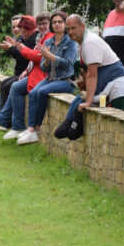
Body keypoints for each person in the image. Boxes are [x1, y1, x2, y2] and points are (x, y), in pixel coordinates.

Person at [54, 14, 124, 140]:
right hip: (107, 87)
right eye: (68, 29)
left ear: (82, 27)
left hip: (119, 87)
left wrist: (88, 101)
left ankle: (72, 126)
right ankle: (69, 122)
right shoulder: (82, 42)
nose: (70, 32)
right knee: (79, 100)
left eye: (73, 28)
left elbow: (92, 74)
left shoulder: (89, 42)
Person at [16, 11, 79, 145]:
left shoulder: (71, 42)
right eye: (54, 22)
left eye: (60, 22)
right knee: (33, 92)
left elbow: (67, 63)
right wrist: (46, 60)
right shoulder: (49, 41)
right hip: (51, 78)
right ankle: (30, 129)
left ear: (65, 24)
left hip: (66, 80)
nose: (56, 24)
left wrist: (49, 56)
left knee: (42, 92)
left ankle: (37, 129)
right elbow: (45, 68)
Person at [0, 16, 52, 138]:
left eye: (45, 24)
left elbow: (36, 56)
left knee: (18, 88)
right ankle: (9, 122)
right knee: (9, 85)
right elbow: (32, 58)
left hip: (42, 75)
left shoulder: (44, 37)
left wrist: (15, 49)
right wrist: (26, 68)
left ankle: (25, 127)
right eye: (15, 27)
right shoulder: (37, 37)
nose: (19, 30)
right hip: (31, 72)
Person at [0, 15, 38, 110]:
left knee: (9, 86)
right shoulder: (21, 38)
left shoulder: (33, 38)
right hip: (20, 72)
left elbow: (25, 57)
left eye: (19, 27)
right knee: (3, 84)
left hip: (27, 73)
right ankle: (1, 114)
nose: (16, 29)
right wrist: (11, 48)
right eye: (14, 27)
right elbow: (18, 56)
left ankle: (5, 118)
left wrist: (11, 48)